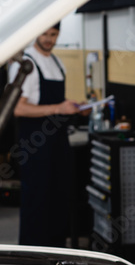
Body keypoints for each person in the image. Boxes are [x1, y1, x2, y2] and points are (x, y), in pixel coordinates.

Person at [9, 22, 84, 246]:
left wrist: (75, 107)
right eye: (44, 33)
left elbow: (57, 104)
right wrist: (58, 108)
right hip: (35, 143)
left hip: (58, 141)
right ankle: (33, 258)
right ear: (35, 32)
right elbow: (17, 108)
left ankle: (57, 255)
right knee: (37, 202)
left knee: (59, 199)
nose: (49, 39)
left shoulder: (57, 63)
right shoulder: (26, 64)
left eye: (53, 34)